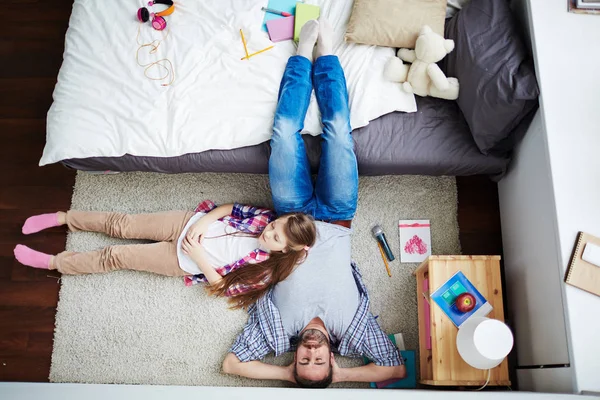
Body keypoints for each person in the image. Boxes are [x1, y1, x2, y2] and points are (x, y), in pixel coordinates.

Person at [221, 19, 406, 387]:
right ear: (331, 358)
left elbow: (231, 364)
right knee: (338, 134)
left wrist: (287, 376)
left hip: (291, 216)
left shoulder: (278, 330)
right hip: (338, 215)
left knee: (283, 134)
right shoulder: (352, 330)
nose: (310, 352)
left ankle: (302, 54)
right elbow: (395, 369)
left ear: (295, 360)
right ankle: (328, 56)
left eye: (303, 360)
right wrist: (340, 378)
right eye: (318, 360)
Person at [13, 200, 316, 309]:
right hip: (186, 222)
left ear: (285, 249)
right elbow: (230, 209)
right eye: (275, 225)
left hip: (181, 260)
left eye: (276, 237)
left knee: (115, 256)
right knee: (122, 224)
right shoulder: (264, 218)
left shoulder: (264, 272)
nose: (269, 232)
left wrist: (198, 256)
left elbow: (223, 288)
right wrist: (207, 219)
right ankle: (64, 217)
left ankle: (54, 262)